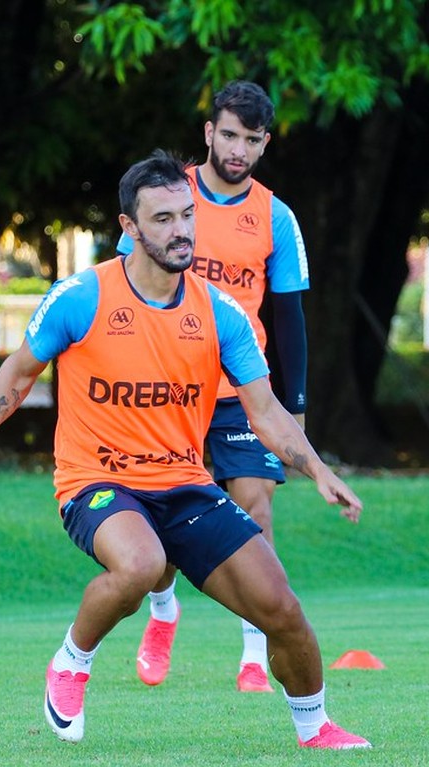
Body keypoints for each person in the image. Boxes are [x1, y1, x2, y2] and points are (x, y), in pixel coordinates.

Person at [0, 150, 371, 750]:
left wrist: (317, 470)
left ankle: (315, 727)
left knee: (282, 609)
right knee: (141, 565)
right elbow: (19, 374)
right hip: (95, 481)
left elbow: (264, 410)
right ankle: (72, 662)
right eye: (162, 219)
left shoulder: (220, 312)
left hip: (184, 485)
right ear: (129, 226)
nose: (181, 230)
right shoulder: (81, 296)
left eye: (187, 215)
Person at [116, 80, 309, 693]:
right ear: (208, 132)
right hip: (167, 392)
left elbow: (289, 318)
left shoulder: (276, 216)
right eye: (228, 135)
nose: (237, 149)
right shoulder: (165, 196)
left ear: (265, 143)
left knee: (255, 504)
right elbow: (122, 286)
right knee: (164, 518)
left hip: (239, 393)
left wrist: (295, 409)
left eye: (251, 140)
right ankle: (163, 610)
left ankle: (254, 651)